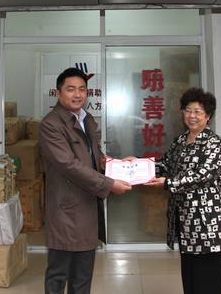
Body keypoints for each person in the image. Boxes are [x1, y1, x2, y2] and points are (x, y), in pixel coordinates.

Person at [39, 67, 132, 294]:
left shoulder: (86, 119)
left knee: (82, 275)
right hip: (65, 210)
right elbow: (68, 165)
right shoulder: (51, 124)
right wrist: (109, 184)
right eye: (71, 89)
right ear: (58, 93)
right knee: (58, 274)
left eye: (82, 89)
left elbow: (93, 157)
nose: (77, 94)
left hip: (87, 206)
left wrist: (118, 165)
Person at [145, 87, 221, 294]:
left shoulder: (213, 143)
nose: (192, 116)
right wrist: (138, 165)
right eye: (188, 110)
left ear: (207, 116)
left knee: (208, 278)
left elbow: (202, 176)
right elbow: (164, 164)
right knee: (191, 275)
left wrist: (169, 183)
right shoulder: (180, 141)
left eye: (197, 112)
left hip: (207, 221)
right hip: (185, 219)